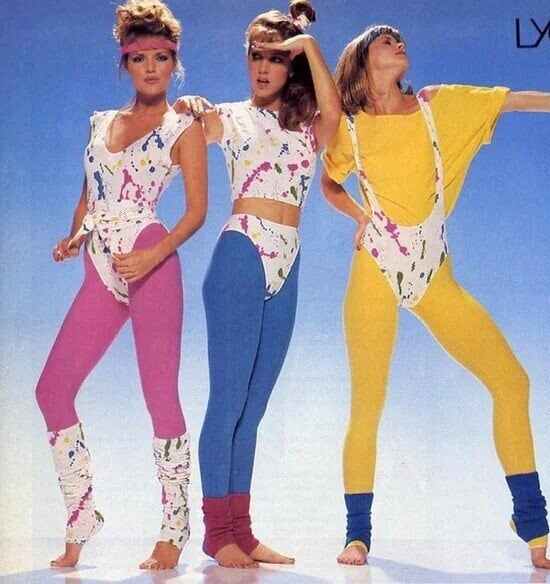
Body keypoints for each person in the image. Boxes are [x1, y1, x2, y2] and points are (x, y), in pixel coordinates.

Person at [321, 24, 550, 569]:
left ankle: (530, 521)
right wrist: (360, 215)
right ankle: (357, 535)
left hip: (433, 274)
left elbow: (517, 101)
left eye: (399, 37)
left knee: (512, 381)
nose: (398, 41)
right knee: (367, 404)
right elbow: (329, 181)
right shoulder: (350, 127)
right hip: (375, 269)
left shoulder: (440, 106)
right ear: (362, 60)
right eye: (384, 39)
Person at [34, 0, 207, 570]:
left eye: (162, 58)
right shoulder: (99, 122)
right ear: (125, 63)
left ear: (174, 62)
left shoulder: (184, 127)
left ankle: (175, 528)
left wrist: (153, 254)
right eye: (140, 58)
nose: (151, 68)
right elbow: (90, 192)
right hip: (100, 268)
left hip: (152, 260)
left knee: (160, 396)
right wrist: (73, 237)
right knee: (51, 391)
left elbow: (196, 212)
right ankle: (82, 515)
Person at [175, 0, 340, 569]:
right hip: (241, 251)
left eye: (277, 57)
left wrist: (309, 45)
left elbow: (334, 113)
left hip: (288, 260)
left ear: (293, 65)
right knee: (227, 401)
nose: (264, 67)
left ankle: (242, 532)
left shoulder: (309, 127)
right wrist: (189, 107)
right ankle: (215, 531)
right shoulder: (228, 116)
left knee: (255, 406)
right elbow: (184, 128)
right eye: (256, 56)